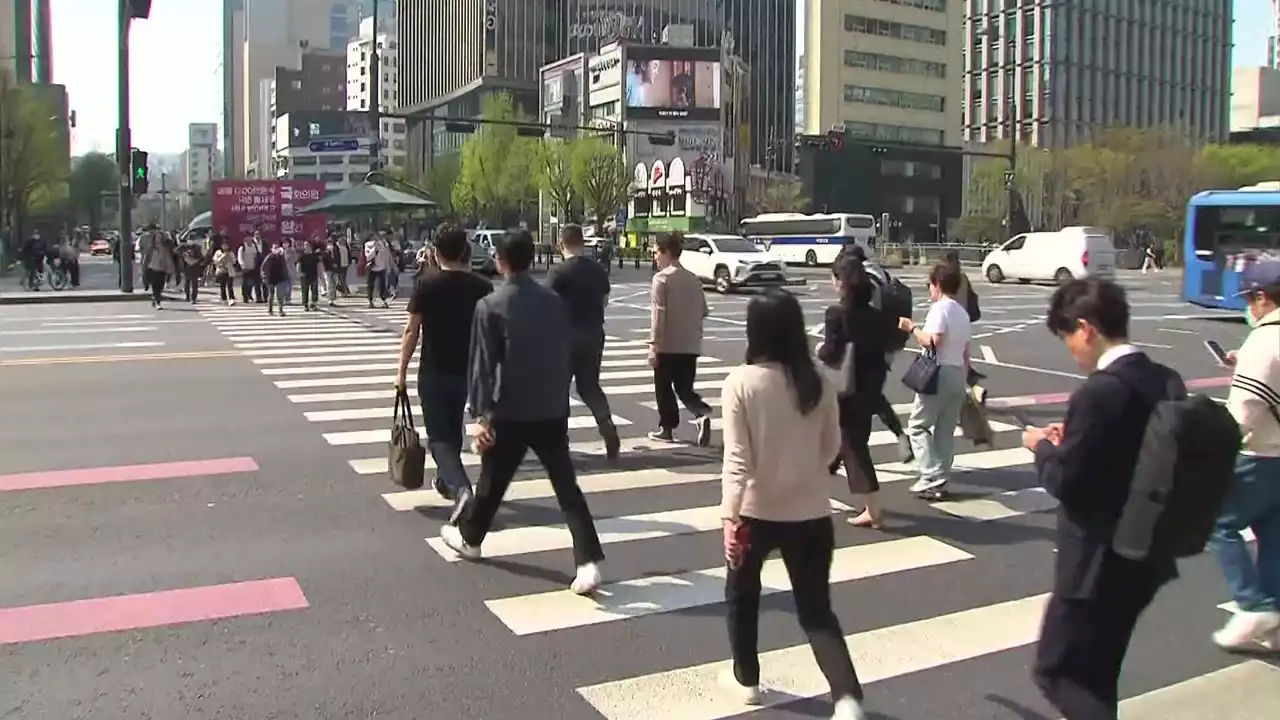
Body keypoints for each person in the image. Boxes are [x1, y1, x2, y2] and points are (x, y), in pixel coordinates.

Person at [1025, 277, 1181, 720]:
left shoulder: (1098, 391)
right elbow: (1128, 450)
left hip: (1094, 563)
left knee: (1056, 672)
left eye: (1068, 337)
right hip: (1145, 553)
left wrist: (1041, 446)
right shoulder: (1163, 379)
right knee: (1099, 674)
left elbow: (1067, 480)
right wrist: (1071, 438)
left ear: (1086, 328)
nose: (1071, 350)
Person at [720, 289, 867, 720]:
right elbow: (831, 448)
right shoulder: (818, 380)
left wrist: (729, 516)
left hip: (754, 512)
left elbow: (737, 459)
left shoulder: (741, 383)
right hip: (811, 513)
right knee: (816, 610)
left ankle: (747, 678)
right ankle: (847, 697)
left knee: (742, 597)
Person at [439, 230, 605, 595]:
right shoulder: (553, 301)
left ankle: (470, 539)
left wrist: (481, 416)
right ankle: (587, 561)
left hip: (510, 408)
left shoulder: (491, 305)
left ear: (500, 261)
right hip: (550, 406)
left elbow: (483, 366)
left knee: (492, 482)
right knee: (565, 487)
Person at [395, 224, 494, 522]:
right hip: (469, 372)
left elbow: (412, 330)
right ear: (464, 250)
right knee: (451, 432)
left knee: (439, 438)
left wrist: (400, 372)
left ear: (436, 253)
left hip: (434, 371)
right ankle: (446, 480)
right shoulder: (482, 287)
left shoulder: (427, 284)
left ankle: (461, 489)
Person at [1210, 258, 1280, 651]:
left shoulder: (1263, 342)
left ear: (1261, 298)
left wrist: (1217, 449)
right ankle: (1275, 614)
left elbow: (1246, 410)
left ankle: (1253, 605)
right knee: (1274, 534)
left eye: (1250, 299)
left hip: (1259, 454)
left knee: (1219, 522)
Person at [819, 256, 899, 529]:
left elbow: (831, 353)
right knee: (847, 440)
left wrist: (818, 350)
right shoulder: (876, 315)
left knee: (853, 447)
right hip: (872, 388)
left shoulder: (836, 314)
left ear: (842, 283)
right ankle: (820, 482)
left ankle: (874, 509)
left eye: (834, 278)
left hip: (845, 390)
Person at [546, 224, 622, 463]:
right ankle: (606, 423)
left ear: (562, 244)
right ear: (583, 242)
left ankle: (561, 442)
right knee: (589, 386)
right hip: (593, 333)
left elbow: (546, 305)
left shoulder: (559, 272)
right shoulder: (598, 270)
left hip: (565, 336)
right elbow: (605, 301)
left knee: (559, 390)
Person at [898, 262, 972, 499]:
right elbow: (966, 351)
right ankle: (941, 477)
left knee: (917, 425)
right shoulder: (962, 312)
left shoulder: (940, 309)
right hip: (957, 373)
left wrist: (912, 327)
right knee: (945, 430)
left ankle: (930, 474)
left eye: (929, 285)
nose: (929, 290)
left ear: (938, 284)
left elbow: (932, 341)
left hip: (938, 372)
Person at [836, 243, 912, 461]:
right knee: (870, 395)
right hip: (888, 343)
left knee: (861, 396)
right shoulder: (881, 273)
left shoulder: (865, 280)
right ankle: (896, 436)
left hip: (871, 345)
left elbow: (866, 315)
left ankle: (848, 452)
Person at [647, 233, 714, 447]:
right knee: (684, 388)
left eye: (657, 252)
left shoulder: (662, 279)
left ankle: (666, 429)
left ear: (666, 252)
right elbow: (704, 311)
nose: (655, 257)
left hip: (668, 344)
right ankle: (701, 413)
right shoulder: (694, 279)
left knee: (664, 388)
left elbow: (659, 316)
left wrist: (654, 346)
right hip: (691, 344)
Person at [364, 231, 393, 308]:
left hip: (382, 267)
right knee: (370, 285)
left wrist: (388, 266)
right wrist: (375, 248)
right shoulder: (368, 245)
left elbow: (387, 255)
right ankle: (370, 301)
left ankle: (384, 301)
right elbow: (368, 256)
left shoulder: (384, 244)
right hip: (372, 268)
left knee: (382, 285)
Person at [261, 244, 290, 316]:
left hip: (280, 278)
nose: (276, 250)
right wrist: (264, 277)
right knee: (271, 294)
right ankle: (270, 310)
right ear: (272, 249)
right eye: (274, 248)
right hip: (271, 277)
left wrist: (286, 277)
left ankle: (280, 310)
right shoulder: (269, 257)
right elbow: (263, 267)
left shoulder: (281, 257)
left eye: (277, 248)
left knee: (280, 295)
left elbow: (284, 267)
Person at [238, 231, 265, 303]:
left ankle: (258, 297)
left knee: (256, 282)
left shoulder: (255, 246)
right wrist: (243, 266)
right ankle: (245, 296)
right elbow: (240, 258)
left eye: (250, 237)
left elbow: (258, 255)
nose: (249, 239)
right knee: (245, 284)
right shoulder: (242, 247)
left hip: (254, 268)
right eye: (247, 238)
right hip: (246, 268)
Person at [297, 241, 323, 311]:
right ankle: (305, 305)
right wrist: (299, 273)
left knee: (314, 291)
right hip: (304, 276)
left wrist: (320, 274)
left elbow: (319, 265)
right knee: (305, 291)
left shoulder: (315, 256)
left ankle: (313, 304)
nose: (306, 246)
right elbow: (298, 265)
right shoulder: (302, 255)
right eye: (305, 245)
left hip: (313, 275)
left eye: (307, 245)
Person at [212, 239, 237, 305]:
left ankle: (231, 298)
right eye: (224, 245)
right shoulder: (218, 252)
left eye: (226, 245)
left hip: (229, 270)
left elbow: (234, 261)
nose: (225, 247)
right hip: (221, 270)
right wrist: (221, 258)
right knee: (222, 285)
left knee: (230, 285)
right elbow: (215, 261)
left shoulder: (230, 253)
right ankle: (224, 298)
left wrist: (229, 258)